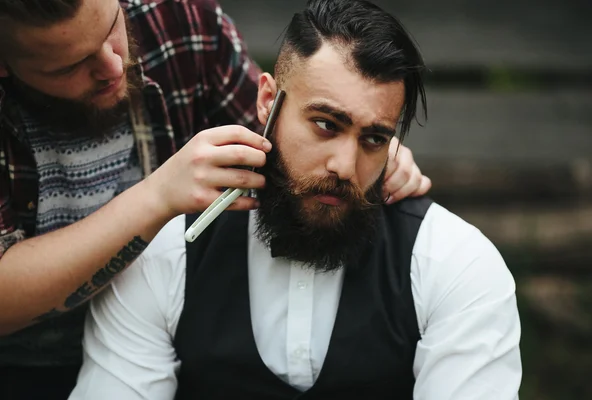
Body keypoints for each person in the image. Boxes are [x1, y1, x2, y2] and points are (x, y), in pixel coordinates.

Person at [68, 0, 522, 399]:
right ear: (267, 100)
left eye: (374, 138)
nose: (345, 166)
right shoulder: (166, 253)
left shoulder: (455, 263)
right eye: (326, 123)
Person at [0, 0, 430, 398]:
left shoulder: (179, 20)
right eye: (70, 66)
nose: (114, 65)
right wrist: (155, 198)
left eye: (112, 28)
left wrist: (365, 146)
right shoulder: (160, 259)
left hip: (162, 340)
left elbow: (280, 121)